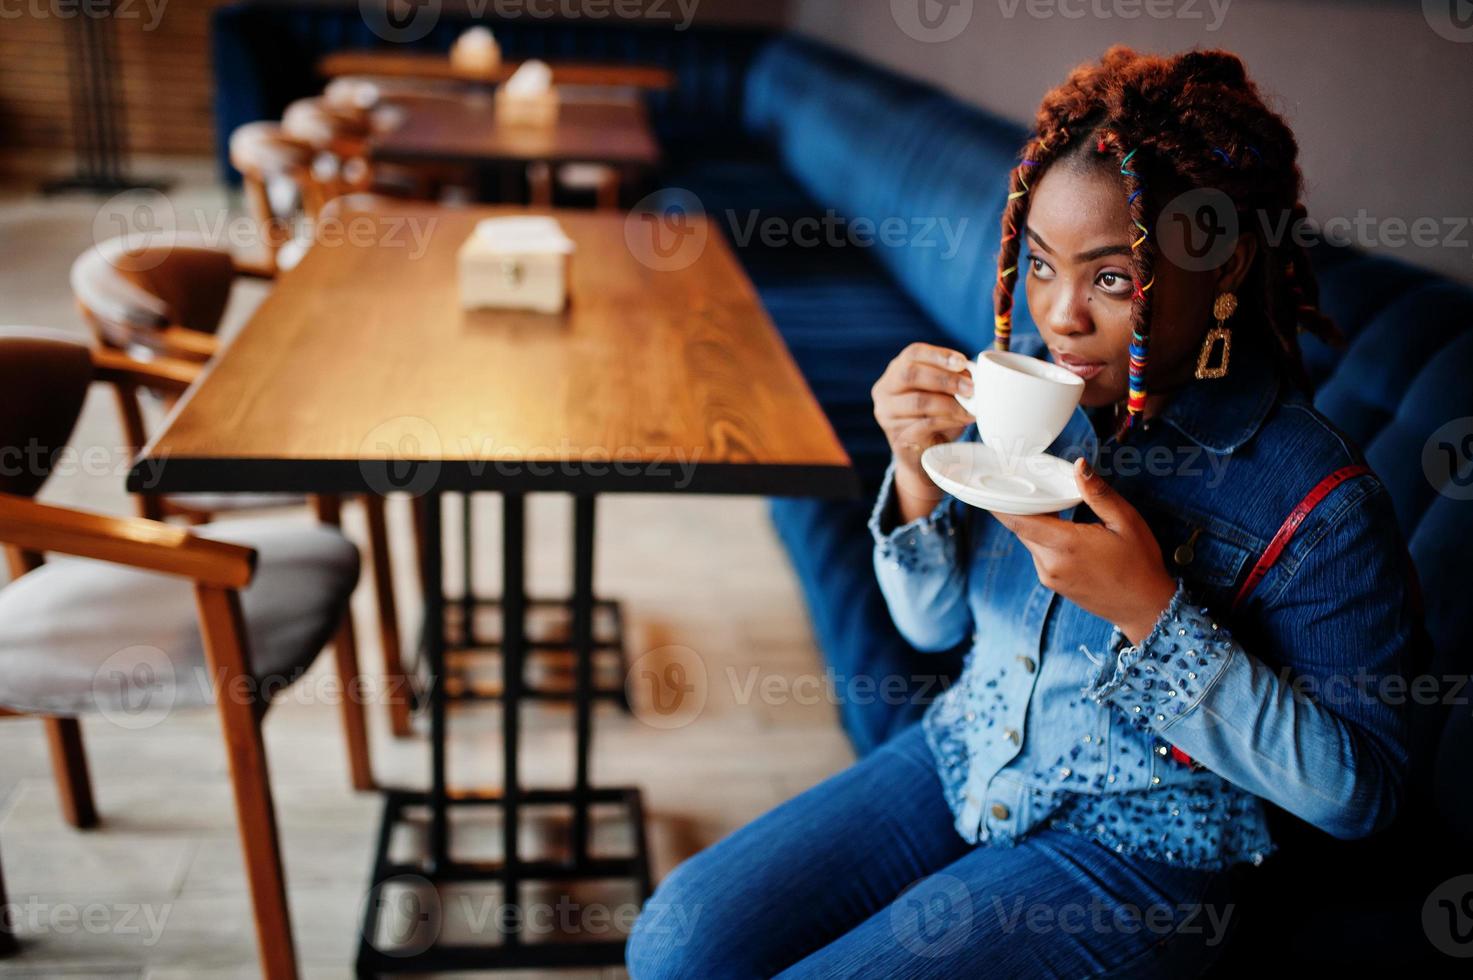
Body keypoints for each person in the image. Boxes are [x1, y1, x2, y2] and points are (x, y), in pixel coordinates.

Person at [626, 46, 1423, 978]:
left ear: (1224, 265)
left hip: (1137, 851)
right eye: (1040, 266)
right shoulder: (1029, 400)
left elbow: (1358, 793)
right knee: (676, 942)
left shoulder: (1314, 498)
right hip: (966, 751)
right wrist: (916, 470)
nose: (1060, 318)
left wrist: (1150, 615)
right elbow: (929, 628)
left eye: (1112, 279)